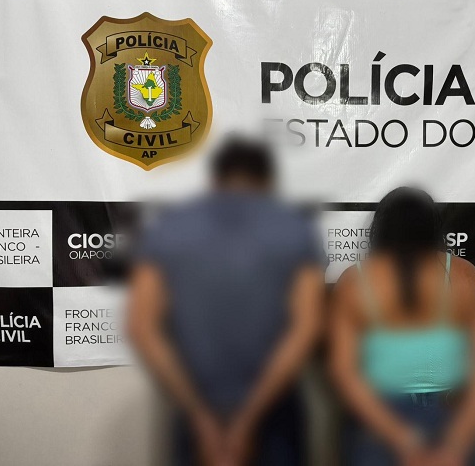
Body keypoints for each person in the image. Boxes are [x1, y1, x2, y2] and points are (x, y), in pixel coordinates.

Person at [128, 136, 326, 466]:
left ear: (215, 180)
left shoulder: (169, 228)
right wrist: (249, 417)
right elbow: (307, 327)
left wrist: (200, 417)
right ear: (267, 182)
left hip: (195, 406)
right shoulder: (294, 230)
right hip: (273, 409)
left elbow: (142, 327)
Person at [329, 187, 475, 466]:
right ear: (434, 227)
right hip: (450, 417)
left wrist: (404, 440)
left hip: (377, 421)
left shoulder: (354, 281)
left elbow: (344, 373)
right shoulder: (467, 276)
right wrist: (456, 443)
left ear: (380, 227)